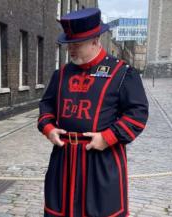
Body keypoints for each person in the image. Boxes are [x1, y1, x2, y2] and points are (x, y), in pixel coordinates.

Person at [38, 8, 148, 217]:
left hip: (101, 160)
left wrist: (107, 137)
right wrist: (49, 129)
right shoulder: (60, 74)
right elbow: (46, 106)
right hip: (63, 160)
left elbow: (138, 113)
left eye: (77, 44)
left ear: (96, 41)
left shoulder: (123, 73)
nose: (71, 50)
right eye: (69, 44)